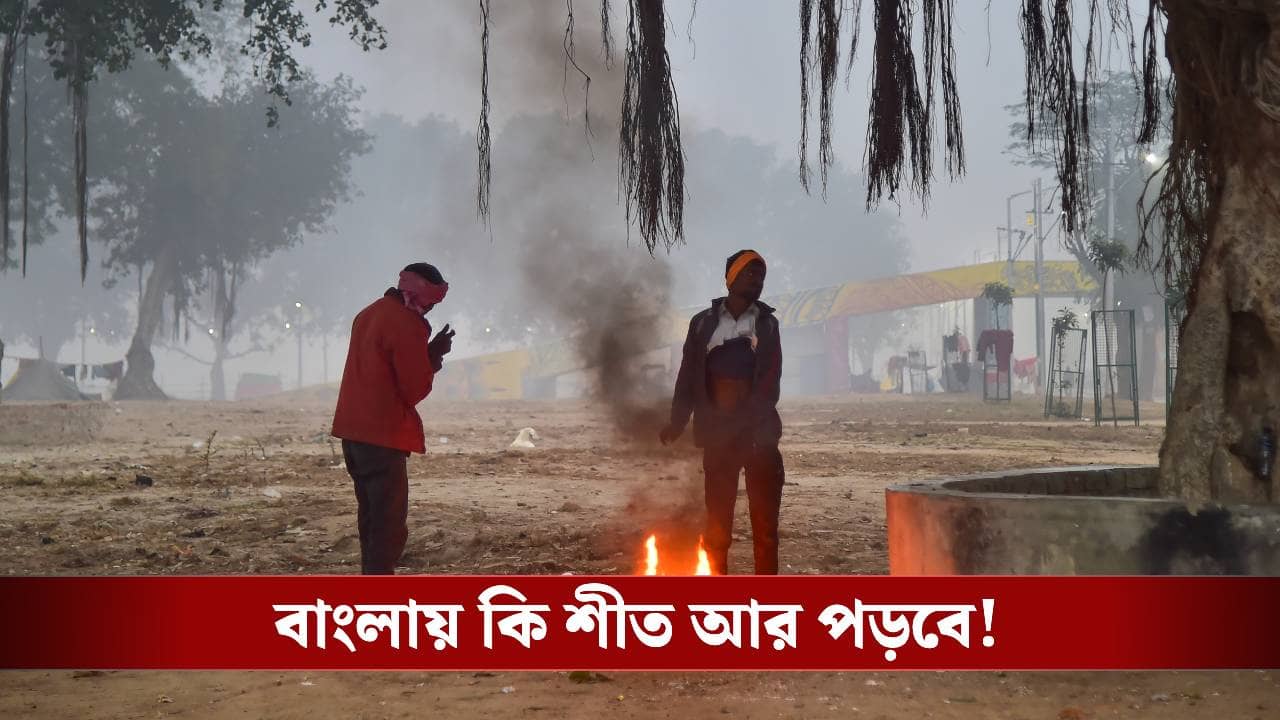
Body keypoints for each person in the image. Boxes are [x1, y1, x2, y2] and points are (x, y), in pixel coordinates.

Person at [659, 249, 785, 575]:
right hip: (718, 436)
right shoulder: (702, 324)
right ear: (731, 279)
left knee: (766, 530)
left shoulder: (768, 325)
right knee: (717, 530)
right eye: (750, 274)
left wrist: (750, 425)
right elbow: (688, 374)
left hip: (760, 437)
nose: (757, 281)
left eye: (761, 276)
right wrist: (677, 421)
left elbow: (770, 382)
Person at [331, 263, 456, 574]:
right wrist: (435, 355)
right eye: (431, 303)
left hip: (353, 434)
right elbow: (413, 388)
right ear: (421, 295)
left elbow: (384, 370)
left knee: (370, 517)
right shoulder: (406, 324)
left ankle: (370, 582)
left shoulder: (369, 313)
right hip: (382, 436)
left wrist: (425, 352)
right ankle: (380, 595)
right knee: (388, 525)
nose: (429, 310)